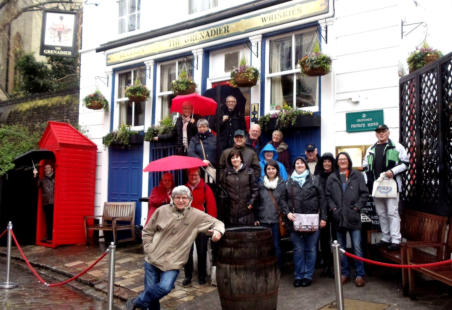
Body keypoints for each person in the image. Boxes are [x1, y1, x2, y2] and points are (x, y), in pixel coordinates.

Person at [125, 186, 224, 310]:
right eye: (177, 197)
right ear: (172, 198)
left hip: (173, 262)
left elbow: (218, 223)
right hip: (152, 259)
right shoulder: (161, 211)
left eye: (184, 198)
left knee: (165, 287)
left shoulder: (196, 216)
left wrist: (218, 231)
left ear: (190, 199)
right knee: (152, 296)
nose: (181, 200)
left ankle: (136, 301)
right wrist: (149, 249)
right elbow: (147, 231)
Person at [362, 124, 409, 251]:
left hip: (391, 185)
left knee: (392, 212)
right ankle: (386, 237)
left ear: (388, 132)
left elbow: (405, 164)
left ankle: (395, 239)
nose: (381, 134)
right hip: (376, 186)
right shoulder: (371, 149)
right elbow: (365, 164)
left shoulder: (397, 147)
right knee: (381, 213)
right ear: (376, 134)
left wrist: (393, 171)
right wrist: (366, 174)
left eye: (383, 131)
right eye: (378, 132)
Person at [282, 157, 327, 287]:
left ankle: (308, 275)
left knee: (311, 249)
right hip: (295, 222)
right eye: (297, 163)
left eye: (302, 163)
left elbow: (322, 199)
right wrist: (287, 213)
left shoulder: (314, 179)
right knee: (298, 249)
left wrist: (323, 217)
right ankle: (298, 275)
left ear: (306, 165)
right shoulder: (288, 182)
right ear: (294, 166)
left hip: (313, 221)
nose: (300, 165)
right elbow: (282, 200)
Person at [326, 152, 369, 287]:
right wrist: (333, 209)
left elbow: (364, 193)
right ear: (337, 162)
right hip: (338, 217)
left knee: (357, 247)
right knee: (341, 248)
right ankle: (344, 273)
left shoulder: (357, 175)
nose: (342, 161)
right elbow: (328, 196)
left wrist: (357, 207)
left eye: (345, 159)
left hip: (353, 217)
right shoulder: (332, 177)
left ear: (348, 161)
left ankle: (360, 274)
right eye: (340, 159)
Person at [183, 168, 217, 286]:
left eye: (196, 175)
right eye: (191, 175)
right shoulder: (184, 189)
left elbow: (211, 206)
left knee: (202, 251)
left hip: (201, 224)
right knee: (187, 252)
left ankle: (201, 277)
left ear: (199, 176)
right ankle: (188, 276)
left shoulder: (204, 188)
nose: (193, 177)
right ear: (188, 176)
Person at [255, 160, 288, 269]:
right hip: (263, 219)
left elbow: (284, 202)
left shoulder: (282, 184)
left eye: (273, 168)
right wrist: (256, 217)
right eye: (268, 169)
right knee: (263, 246)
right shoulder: (260, 184)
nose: (271, 171)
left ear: (277, 170)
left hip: (276, 221)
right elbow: (257, 202)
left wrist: (283, 218)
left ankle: (277, 269)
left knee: (276, 246)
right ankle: (265, 269)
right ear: (265, 171)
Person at [220, 148, 258, 226]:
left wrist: (251, 203)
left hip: (246, 212)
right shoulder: (226, 173)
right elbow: (223, 191)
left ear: (241, 159)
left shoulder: (249, 172)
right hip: (231, 213)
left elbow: (255, 190)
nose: (235, 159)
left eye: (237, 157)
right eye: (232, 158)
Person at [314, 152, 338, 277]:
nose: (327, 163)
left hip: (334, 210)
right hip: (321, 211)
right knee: (323, 239)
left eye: (329, 161)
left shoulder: (338, 174)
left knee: (335, 238)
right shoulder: (317, 175)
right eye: (324, 161)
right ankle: (327, 264)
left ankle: (336, 266)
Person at [33, 163, 55, 242]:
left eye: (48, 167)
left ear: (52, 169)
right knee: (49, 221)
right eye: (46, 168)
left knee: (54, 221)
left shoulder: (56, 177)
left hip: (56, 203)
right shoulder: (42, 179)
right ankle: (50, 237)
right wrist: (35, 175)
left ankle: (55, 236)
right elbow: (36, 185)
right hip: (47, 203)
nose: (47, 169)